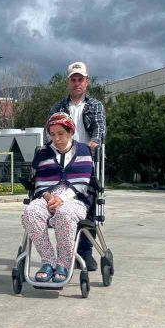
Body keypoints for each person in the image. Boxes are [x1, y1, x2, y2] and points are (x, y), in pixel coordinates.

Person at [21, 112, 94, 283]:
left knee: (65, 214)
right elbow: (39, 182)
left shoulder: (83, 150)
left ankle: (63, 263)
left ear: (70, 132)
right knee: (30, 212)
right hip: (48, 197)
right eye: (52, 134)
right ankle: (48, 261)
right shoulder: (44, 152)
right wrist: (49, 198)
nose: (56, 138)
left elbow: (83, 182)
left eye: (61, 133)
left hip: (76, 199)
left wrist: (62, 199)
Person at [49, 61, 105, 271]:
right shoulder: (59, 107)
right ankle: (66, 251)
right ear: (68, 82)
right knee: (61, 203)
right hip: (63, 161)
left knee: (87, 204)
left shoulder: (95, 106)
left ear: (86, 82)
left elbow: (100, 128)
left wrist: (95, 141)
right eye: (73, 79)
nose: (77, 83)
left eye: (80, 79)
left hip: (86, 161)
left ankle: (85, 252)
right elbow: (50, 130)